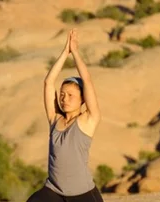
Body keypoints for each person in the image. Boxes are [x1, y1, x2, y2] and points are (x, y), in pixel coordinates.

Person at [27, 28, 104, 202]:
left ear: (82, 99)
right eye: (62, 94)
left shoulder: (88, 120)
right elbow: (48, 83)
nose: (64, 99)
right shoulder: (55, 119)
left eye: (70, 95)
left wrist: (75, 53)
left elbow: (88, 82)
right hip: (54, 191)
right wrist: (65, 51)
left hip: (82, 194)